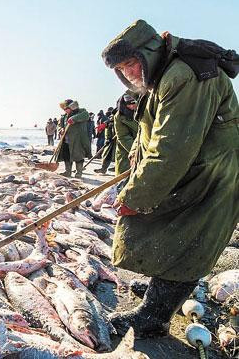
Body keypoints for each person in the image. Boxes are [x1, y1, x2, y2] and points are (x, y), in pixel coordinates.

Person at [102, 19, 238, 338]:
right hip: (195, 166)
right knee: (168, 229)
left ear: (149, 52)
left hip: (214, 172)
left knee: (190, 238)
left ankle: (155, 316)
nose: (130, 73)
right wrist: (136, 161)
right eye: (122, 68)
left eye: (132, 63)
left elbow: (172, 146)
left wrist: (136, 196)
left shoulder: (183, 75)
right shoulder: (161, 73)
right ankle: (159, 291)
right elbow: (149, 130)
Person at [55, 99, 92, 178]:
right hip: (66, 140)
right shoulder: (64, 116)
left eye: (66, 109)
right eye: (64, 109)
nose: (65, 111)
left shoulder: (81, 112)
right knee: (67, 156)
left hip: (77, 140)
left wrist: (74, 118)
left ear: (71, 107)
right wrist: (60, 129)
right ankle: (68, 172)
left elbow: (86, 115)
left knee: (78, 156)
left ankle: (79, 173)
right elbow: (59, 125)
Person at [113, 93, 139, 175]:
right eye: (129, 105)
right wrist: (135, 152)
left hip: (144, 145)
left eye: (133, 103)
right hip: (127, 149)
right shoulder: (119, 116)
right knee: (124, 177)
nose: (132, 106)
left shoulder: (141, 111)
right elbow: (123, 137)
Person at [95, 108, 116, 174]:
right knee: (107, 154)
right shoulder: (111, 118)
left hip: (119, 138)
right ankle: (103, 169)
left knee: (119, 155)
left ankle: (118, 168)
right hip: (111, 138)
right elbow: (109, 123)